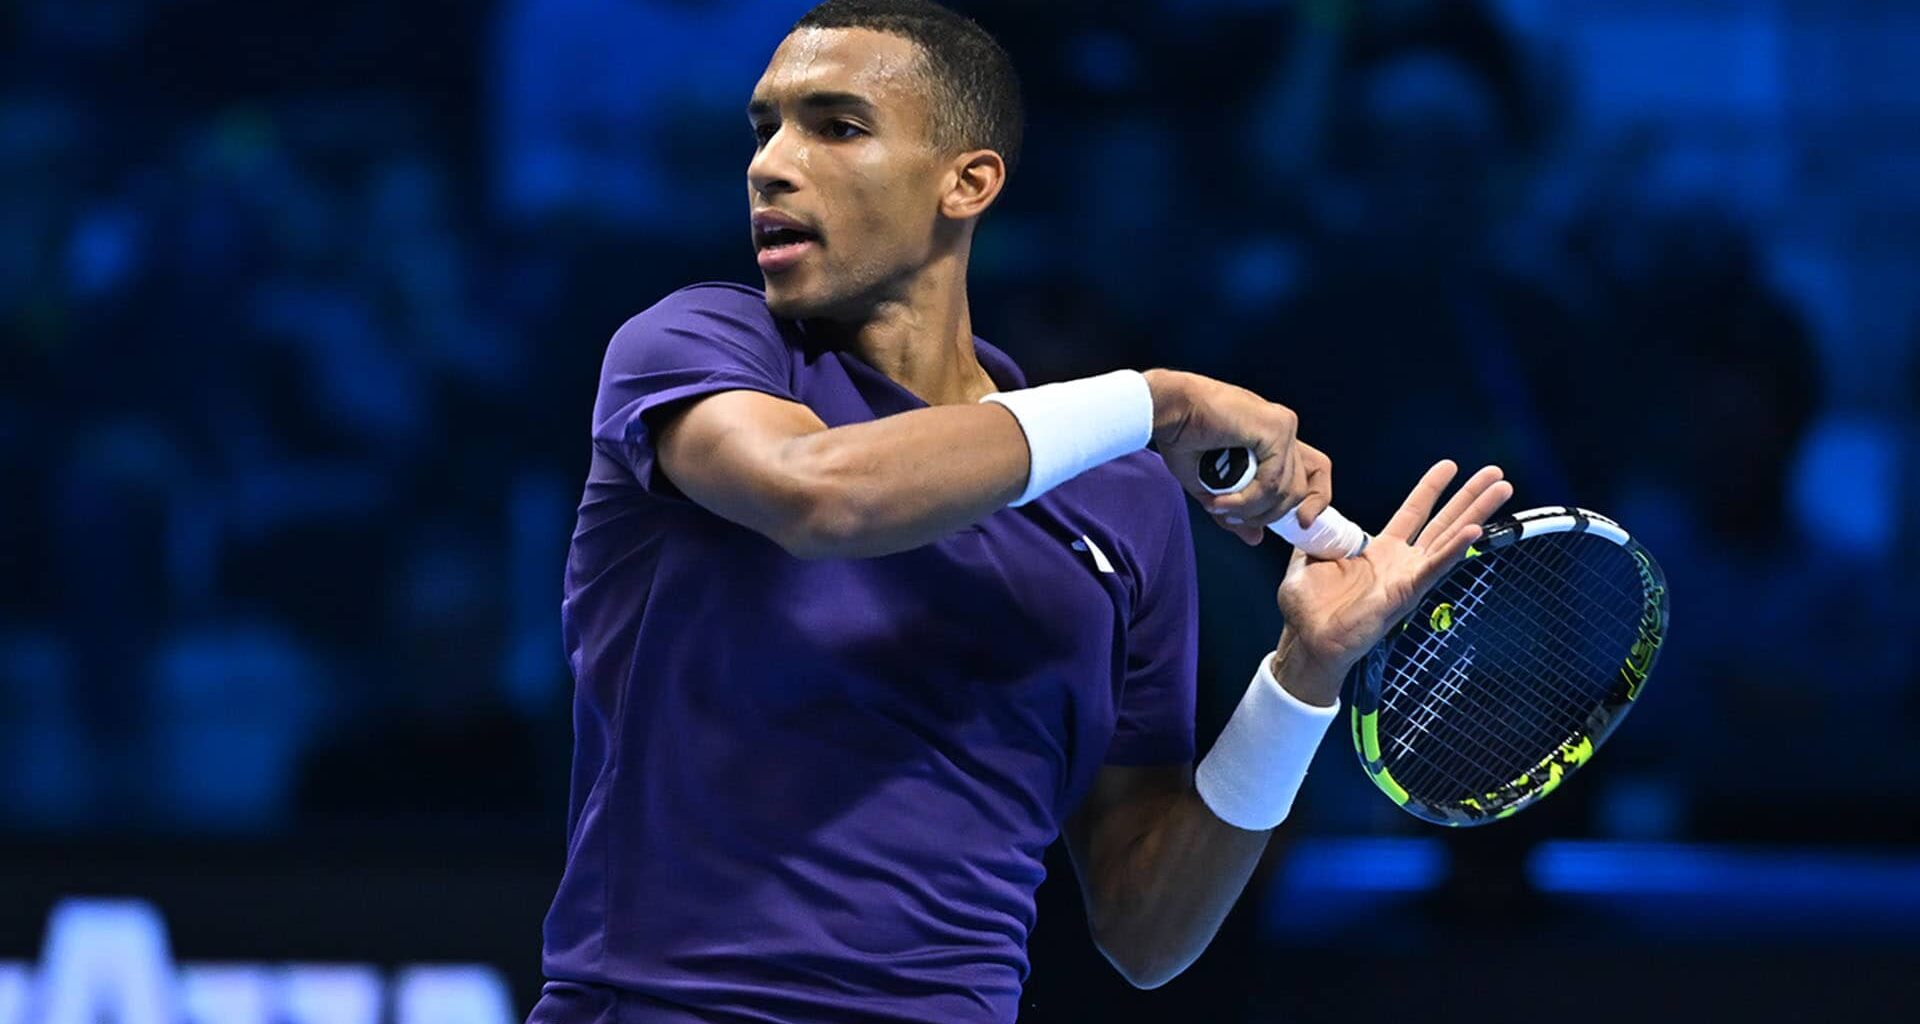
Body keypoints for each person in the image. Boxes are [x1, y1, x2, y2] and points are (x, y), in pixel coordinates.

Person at [527, 3, 1510, 1022]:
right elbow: (819, 494)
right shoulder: (701, 348)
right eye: (764, 127)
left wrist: (1302, 679)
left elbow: (1147, 928)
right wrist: (1155, 401)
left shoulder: (1126, 506)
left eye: (836, 126)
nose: (771, 164)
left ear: (969, 182)